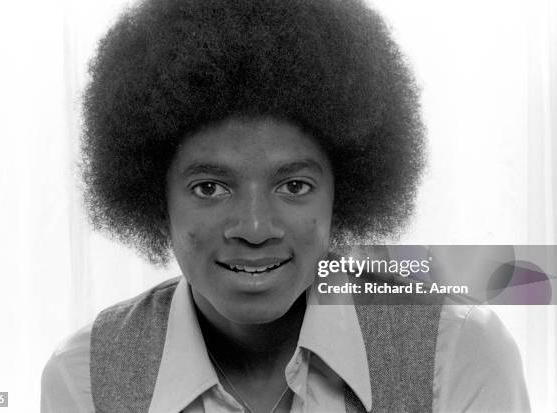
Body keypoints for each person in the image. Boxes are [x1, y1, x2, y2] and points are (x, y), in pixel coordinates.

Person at [41, 0, 530, 411]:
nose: (255, 228)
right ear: (155, 196)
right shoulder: (84, 378)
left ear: (345, 193)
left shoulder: (458, 351)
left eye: (294, 186)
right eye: (210, 188)